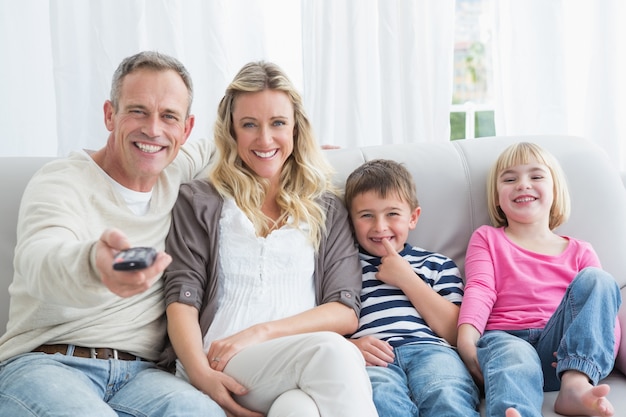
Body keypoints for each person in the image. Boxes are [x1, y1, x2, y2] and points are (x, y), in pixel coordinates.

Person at [0, 51, 224, 416]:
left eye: (168, 116)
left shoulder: (175, 171)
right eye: (137, 110)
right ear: (109, 114)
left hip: (142, 377)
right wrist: (95, 264)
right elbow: (39, 256)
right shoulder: (62, 181)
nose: (153, 129)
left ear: (186, 128)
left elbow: (244, 145)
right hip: (47, 364)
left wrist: (300, 152)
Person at [159, 61, 378, 417]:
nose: (265, 140)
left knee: (298, 410)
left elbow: (344, 310)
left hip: (296, 366)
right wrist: (201, 375)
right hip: (222, 361)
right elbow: (181, 298)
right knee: (334, 352)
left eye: (278, 123)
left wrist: (262, 332)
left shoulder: (326, 206)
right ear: (231, 131)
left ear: (295, 128)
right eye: (249, 125)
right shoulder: (201, 200)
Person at [457, 142, 621, 417]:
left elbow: (603, 316)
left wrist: (592, 362)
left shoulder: (581, 250)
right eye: (510, 179)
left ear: (555, 191)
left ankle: (575, 387)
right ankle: (515, 411)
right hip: (507, 342)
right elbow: (480, 289)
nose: (523, 184)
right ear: (497, 197)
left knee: (598, 280)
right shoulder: (487, 238)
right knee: (515, 358)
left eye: (536, 176)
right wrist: (466, 341)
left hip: (562, 356)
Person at [343, 159, 481, 417]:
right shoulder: (342, 269)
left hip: (432, 351)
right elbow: (327, 325)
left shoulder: (436, 263)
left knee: (446, 393)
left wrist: (407, 279)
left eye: (392, 213)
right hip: (373, 358)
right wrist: (351, 346)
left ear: (413, 217)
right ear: (350, 222)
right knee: (380, 398)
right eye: (366, 216)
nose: (380, 226)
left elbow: (456, 332)